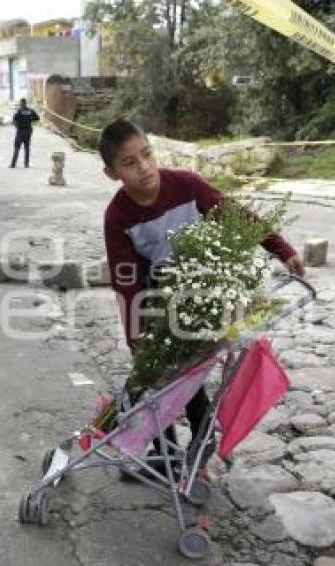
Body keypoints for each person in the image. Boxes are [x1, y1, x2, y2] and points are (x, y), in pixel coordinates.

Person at [100, 118, 304, 465]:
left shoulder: (188, 187)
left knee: (190, 374)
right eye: (129, 163)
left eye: (146, 155)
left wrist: (282, 249)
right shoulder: (118, 217)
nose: (144, 168)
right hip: (159, 306)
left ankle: (200, 440)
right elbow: (126, 281)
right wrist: (137, 339)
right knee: (161, 379)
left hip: (207, 295)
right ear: (112, 173)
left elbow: (238, 217)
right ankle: (164, 452)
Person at [10, 98, 39, 168]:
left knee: (17, 147)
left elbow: (14, 119)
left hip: (20, 131)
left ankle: (13, 164)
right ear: (26, 103)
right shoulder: (30, 111)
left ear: (21, 104)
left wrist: (17, 126)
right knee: (27, 148)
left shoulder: (19, 111)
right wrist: (30, 120)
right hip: (28, 131)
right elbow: (37, 118)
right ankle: (26, 164)